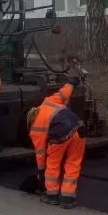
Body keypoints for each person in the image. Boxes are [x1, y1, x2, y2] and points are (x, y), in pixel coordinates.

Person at [27, 79, 86, 208]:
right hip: (79, 127)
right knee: (73, 162)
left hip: (61, 131)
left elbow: (41, 153)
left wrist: (41, 172)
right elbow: (63, 93)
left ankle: (52, 195)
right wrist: (72, 82)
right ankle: (67, 198)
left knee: (53, 163)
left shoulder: (35, 128)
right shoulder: (49, 101)